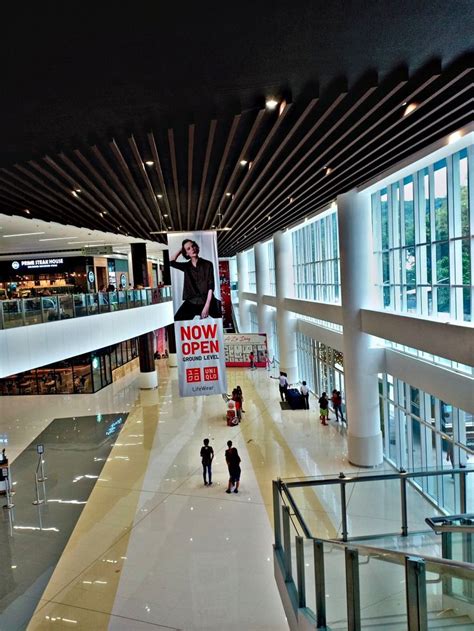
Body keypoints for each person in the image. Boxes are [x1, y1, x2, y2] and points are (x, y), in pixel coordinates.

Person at [170, 239, 221, 321]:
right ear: (186, 253)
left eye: (193, 246)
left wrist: (207, 306)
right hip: (191, 302)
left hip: (207, 301)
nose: (192, 249)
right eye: (188, 249)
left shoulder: (208, 264)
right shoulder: (186, 266)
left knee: (221, 316)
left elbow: (211, 286)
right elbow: (171, 262)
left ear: (197, 248)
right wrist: (181, 249)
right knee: (177, 320)